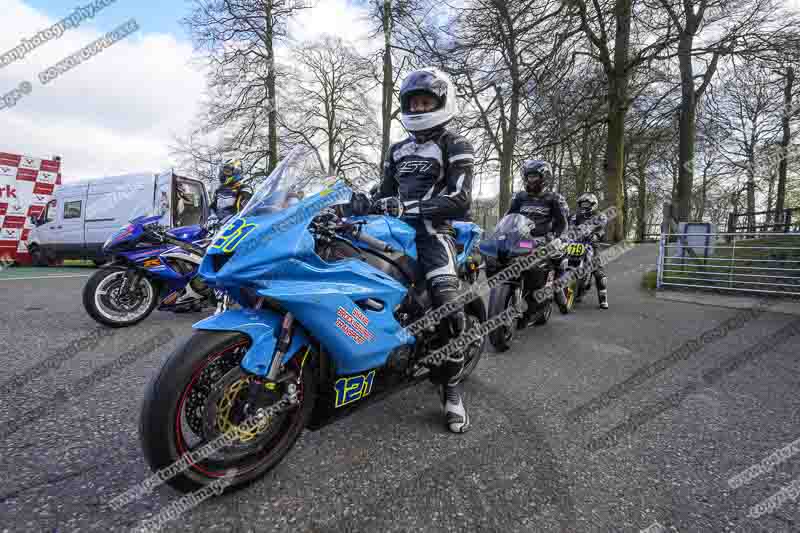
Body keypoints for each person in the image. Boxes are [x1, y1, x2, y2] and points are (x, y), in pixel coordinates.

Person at [372, 67, 474, 434]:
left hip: (434, 234)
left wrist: (410, 209)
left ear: (443, 103)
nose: (418, 107)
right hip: (392, 231)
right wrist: (345, 204)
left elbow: (460, 199)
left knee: (449, 307)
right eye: (412, 101)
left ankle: (451, 390)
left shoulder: (455, 144)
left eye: (425, 101)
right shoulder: (397, 149)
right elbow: (382, 194)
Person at [504, 159, 571, 320]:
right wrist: (501, 232)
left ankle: (559, 291)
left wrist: (558, 238)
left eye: (534, 176)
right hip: (523, 240)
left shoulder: (554, 198)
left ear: (544, 178)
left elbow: (562, 223)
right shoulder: (519, 197)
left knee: (558, 259)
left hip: (544, 240)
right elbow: (508, 218)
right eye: (528, 177)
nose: (530, 180)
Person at [571, 192, 608, 309]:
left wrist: (597, 235)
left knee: (598, 272)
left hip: (592, 244)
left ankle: (603, 299)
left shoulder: (600, 216)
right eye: (582, 204)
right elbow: (569, 226)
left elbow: (602, 229)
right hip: (577, 243)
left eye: (587, 204)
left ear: (593, 205)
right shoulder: (576, 216)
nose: (584, 206)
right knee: (561, 262)